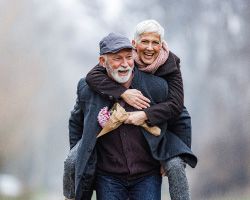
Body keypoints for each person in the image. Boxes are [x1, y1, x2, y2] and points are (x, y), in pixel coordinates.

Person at [64, 33, 196, 200]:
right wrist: (81, 154)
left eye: (128, 57)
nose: (125, 64)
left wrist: (175, 152)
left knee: (176, 165)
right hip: (108, 175)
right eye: (117, 58)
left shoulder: (156, 86)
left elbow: (180, 117)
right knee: (71, 161)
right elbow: (76, 122)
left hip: (147, 174)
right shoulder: (87, 88)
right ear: (103, 62)